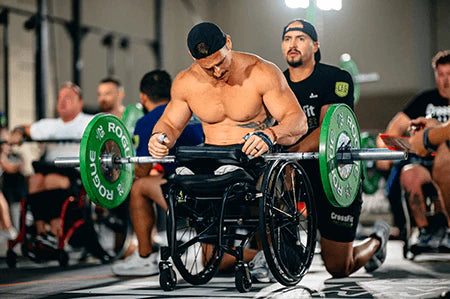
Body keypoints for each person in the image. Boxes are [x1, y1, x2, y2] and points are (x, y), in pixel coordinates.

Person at [147, 22, 307, 277]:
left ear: (229, 43)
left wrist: (271, 134)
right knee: (214, 261)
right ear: (193, 58)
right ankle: (260, 256)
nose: (218, 70)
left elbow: (298, 121)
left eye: (221, 61)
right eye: (208, 66)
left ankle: (276, 251)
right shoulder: (186, 82)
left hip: (253, 158)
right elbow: (169, 123)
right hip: (213, 160)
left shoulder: (261, 72)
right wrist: (159, 137)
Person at [272, 19, 390, 278]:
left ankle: (377, 240)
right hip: (293, 176)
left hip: (334, 176)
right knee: (272, 246)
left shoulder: (336, 78)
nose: (293, 44)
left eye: (300, 38)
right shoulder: (274, 82)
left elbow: (328, 129)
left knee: (339, 267)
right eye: (287, 38)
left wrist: (291, 156)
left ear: (315, 45)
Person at [112, 70, 204, 276]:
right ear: (171, 93)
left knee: (138, 186)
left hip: (190, 193)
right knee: (218, 258)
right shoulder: (195, 113)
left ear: (143, 97)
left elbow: (142, 170)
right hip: (215, 184)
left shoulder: (147, 122)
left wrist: (115, 167)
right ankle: (266, 256)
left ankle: (144, 257)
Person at [377, 50, 450, 250]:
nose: (446, 81)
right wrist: (384, 150)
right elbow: (396, 126)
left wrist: (432, 129)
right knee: (409, 175)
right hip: (425, 162)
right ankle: (424, 231)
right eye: (441, 75)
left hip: (446, 162)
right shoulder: (425, 100)